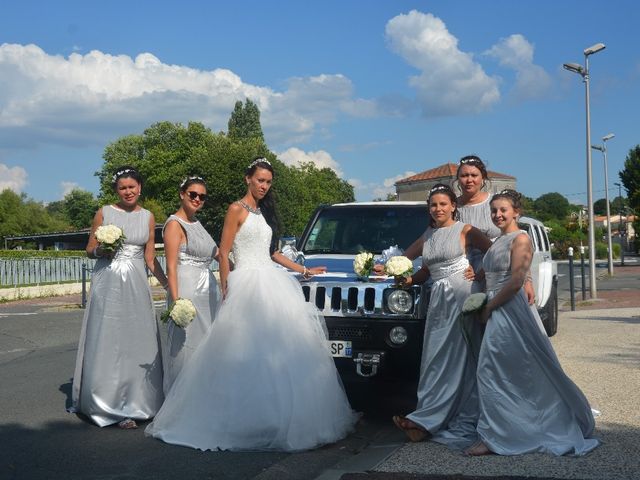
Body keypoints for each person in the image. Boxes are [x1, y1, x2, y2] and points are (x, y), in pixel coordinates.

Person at [145, 157, 358, 451]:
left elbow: (272, 253)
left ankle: (274, 418)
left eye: (268, 182)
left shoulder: (264, 212)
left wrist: (304, 270)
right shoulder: (236, 209)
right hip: (245, 282)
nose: (264, 186)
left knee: (279, 353)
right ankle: (240, 419)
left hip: (271, 280)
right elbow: (223, 252)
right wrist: (226, 286)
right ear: (248, 179)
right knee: (241, 352)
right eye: (260, 180)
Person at [465, 189, 599, 456]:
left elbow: (515, 280)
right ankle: (509, 426)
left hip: (506, 309)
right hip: (496, 305)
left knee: (490, 369)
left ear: (517, 212)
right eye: (494, 211)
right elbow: (491, 270)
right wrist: (475, 273)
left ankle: (496, 436)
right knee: (504, 370)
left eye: (503, 210)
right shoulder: (497, 242)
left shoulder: (521, 239)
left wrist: (489, 307)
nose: (498, 214)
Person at [392, 184, 491, 448]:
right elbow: (425, 270)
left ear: (453, 206)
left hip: (462, 295)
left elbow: (495, 253)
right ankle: (429, 416)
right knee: (435, 357)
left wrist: (480, 273)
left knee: (459, 359)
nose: (438, 209)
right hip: (438, 299)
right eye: (433, 205)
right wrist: (409, 279)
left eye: (443, 204)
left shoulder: (466, 230)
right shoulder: (429, 235)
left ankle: (432, 420)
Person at [70, 166, 167, 429]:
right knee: (109, 338)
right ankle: (107, 402)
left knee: (138, 338)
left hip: (136, 282)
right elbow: (89, 249)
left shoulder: (148, 216)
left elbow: (149, 256)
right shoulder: (104, 212)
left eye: (132, 187)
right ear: (116, 190)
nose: (128, 191)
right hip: (109, 280)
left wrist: (168, 285)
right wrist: (102, 248)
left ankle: (139, 399)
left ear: (140, 188)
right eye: (122, 188)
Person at [161, 176, 220, 395]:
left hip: (208, 290)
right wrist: (176, 301)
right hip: (187, 288)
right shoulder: (174, 224)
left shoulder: (197, 224)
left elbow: (218, 254)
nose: (197, 199)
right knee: (186, 346)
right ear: (182, 194)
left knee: (206, 344)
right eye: (193, 194)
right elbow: (171, 266)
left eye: (202, 197)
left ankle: (202, 397)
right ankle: (180, 398)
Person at [455, 155, 535, 304]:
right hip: (463, 274)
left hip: (497, 272)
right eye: (464, 175)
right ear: (458, 178)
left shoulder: (497, 205)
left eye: (474, 175)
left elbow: (515, 241)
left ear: (483, 178)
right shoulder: (451, 208)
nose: (469, 180)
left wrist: (527, 280)